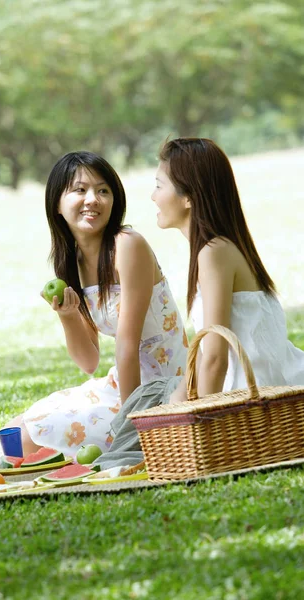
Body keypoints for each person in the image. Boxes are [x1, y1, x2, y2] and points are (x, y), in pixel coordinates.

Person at [95, 136, 304, 469]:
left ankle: (110, 466)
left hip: (249, 397)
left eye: (159, 185)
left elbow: (215, 356)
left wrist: (196, 424)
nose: (153, 196)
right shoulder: (216, 248)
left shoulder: (214, 252)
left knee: (148, 412)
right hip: (246, 388)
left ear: (188, 196)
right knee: (152, 399)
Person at [4, 151, 188, 457]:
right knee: (17, 431)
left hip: (161, 391)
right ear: (57, 205)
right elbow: (88, 362)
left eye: (103, 190)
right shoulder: (71, 264)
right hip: (121, 384)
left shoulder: (128, 246)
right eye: (80, 190)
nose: (93, 199)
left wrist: (134, 429)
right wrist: (68, 316)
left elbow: (127, 346)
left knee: (29, 443)